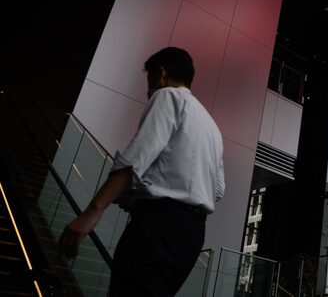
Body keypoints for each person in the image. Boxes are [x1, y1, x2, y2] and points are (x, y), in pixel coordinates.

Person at [58, 47, 225, 296]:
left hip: (158, 226)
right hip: (192, 235)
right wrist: (142, 195)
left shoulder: (167, 95)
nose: (148, 89)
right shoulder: (212, 127)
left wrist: (93, 212)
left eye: (149, 79)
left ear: (161, 73)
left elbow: (135, 158)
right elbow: (217, 190)